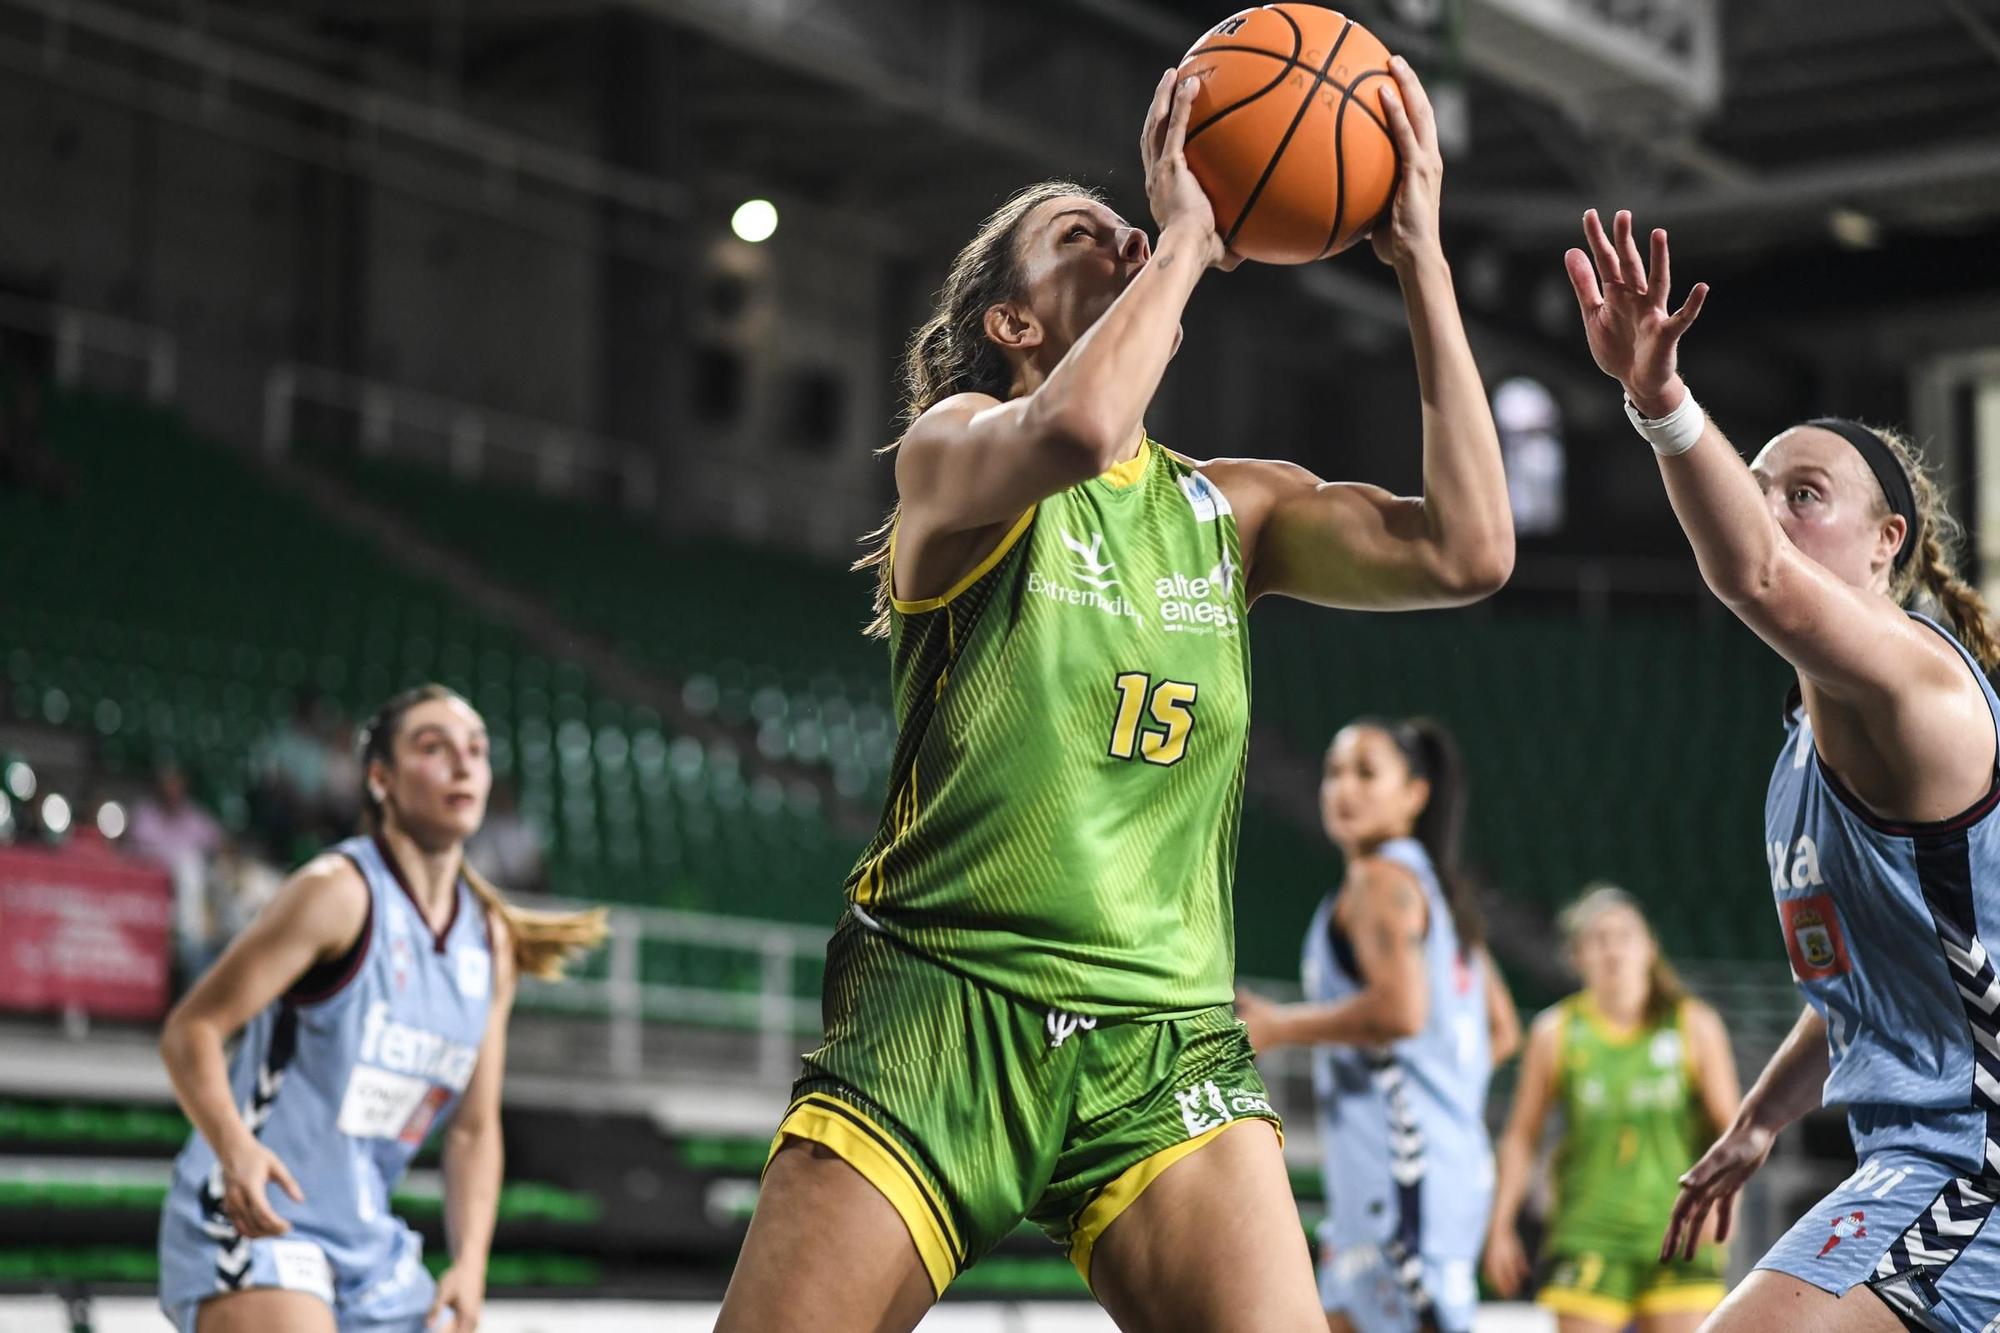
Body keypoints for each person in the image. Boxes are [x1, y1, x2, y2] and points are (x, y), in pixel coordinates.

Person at [716, 57, 1514, 1333]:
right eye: (1076, 233)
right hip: (944, 1005)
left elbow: (1469, 552)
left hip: (1164, 1044)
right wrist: (1188, 238)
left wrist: (1418, 253)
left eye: (1128, 224)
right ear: (1013, 325)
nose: (1129, 229)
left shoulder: (1227, 507)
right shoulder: (955, 454)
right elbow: (1076, 436)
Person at [1568, 209, 2000, 1333]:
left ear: (1884, 542)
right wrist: (1757, 1120)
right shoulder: (1807, 741)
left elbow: (1753, 576)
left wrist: (1658, 401)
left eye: (1801, 494)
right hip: (1916, 1155)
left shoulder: (1918, 692)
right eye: (1755, 485)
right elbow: (1870, 976)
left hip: (1973, 1161)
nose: (1766, 510)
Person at [156, 684, 606, 1333]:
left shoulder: (491, 941)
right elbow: (190, 1029)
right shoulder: (336, 893)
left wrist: (471, 1262)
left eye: (476, 751)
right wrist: (235, 1147)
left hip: (368, 1245)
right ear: (380, 777)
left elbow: (474, 1129)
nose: (462, 764)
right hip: (257, 1217)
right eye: (434, 746)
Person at [1237, 717, 1522, 1333]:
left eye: (1367, 773)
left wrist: (1279, 1026)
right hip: (1429, 1172)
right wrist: (1441, 1089)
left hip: (1402, 1183)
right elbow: (1501, 1029)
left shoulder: (1380, 881)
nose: (1344, 788)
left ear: (1414, 795)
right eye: (1334, 772)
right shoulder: (1439, 890)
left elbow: (1400, 1012)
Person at [1483, 885, 1740, 1332]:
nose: (1612, 950)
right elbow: (1521, 1136)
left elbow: (1734, 1129)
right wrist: (1500, 1225)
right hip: (1588, 1234)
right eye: (1598, 939)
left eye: (1624, 936)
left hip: (1676, 1229)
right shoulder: (1555, 1031)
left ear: (1649, 949)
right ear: (1576, 957)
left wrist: (1722, 1201)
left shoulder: (1693, 1024)